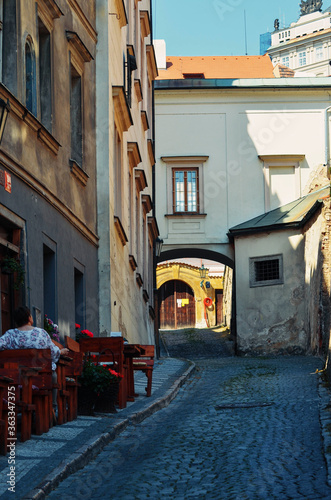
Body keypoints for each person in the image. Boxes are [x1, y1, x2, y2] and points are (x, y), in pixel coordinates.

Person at [0, 306, 69, 419]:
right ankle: (53, 407)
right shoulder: (41, 333)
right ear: (29, 318)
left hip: (17, 380)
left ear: (16, 321)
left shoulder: (10, 334)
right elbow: (52, 352)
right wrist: (60, 351)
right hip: (41, 379)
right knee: (53, 374)